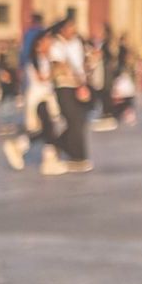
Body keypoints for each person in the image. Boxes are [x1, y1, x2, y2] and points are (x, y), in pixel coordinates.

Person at [2, 31, 68, 175]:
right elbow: (42, 79)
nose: (50, 45)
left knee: (44, 130)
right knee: (48, 129)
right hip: (39, 100)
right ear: (38, 45)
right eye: (47, 42)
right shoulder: (35, 61)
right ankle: (48, 162)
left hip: (46, 98)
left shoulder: (45, 59)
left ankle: (18, 146)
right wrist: (56, 71)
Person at [48, 15, 92, 172]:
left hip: (79, 86)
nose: (73, 30)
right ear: (62, 29)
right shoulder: (56, 45)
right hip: (64, 86)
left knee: (79, 120)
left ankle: (62, 146)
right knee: (73, 120)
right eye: (70, 27)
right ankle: (76, 156)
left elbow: (83, 62)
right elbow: (58, 65)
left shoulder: (77, 43)